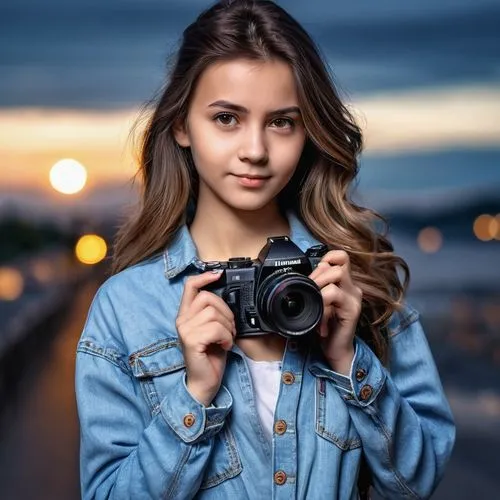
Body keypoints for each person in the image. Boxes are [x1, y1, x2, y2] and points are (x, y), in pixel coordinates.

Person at [75, 1, 455, 498]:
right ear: (181, 126)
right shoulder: (126, 309)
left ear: (308, 132)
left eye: (281, 122)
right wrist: (194, 395)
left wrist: (348, 358)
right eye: (227, 118)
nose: (255, 149)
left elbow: (418, 483)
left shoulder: (354, 283)